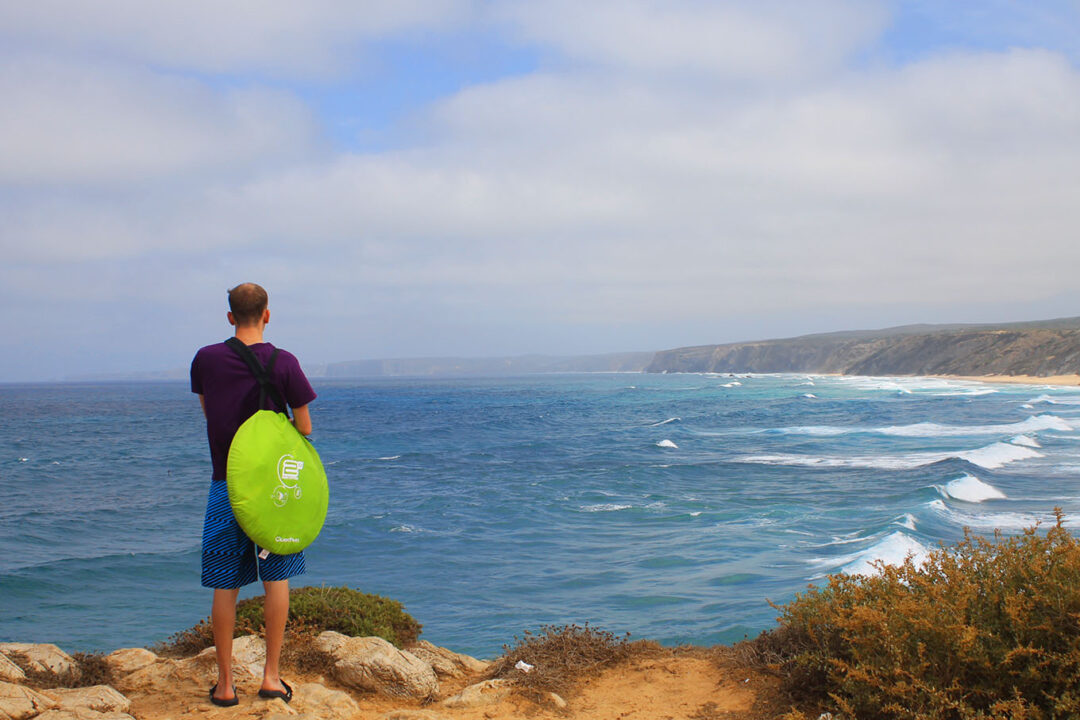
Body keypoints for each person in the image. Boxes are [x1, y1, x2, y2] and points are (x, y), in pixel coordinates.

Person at [190, 283, 316, 707]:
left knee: (226, 586)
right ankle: (271, 678)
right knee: (275, 579)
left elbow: (209, 410)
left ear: (229, 316)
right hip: (274, 490)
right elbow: (305, 428)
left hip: (227, 484)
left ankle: (225, 687)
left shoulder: (206, 359)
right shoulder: (285, 363)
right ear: (267, 315)